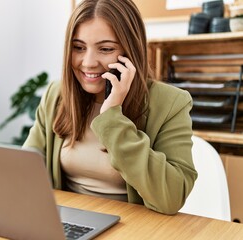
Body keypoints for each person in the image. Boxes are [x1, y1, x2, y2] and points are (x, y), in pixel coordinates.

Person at [23, 0, 197, 215]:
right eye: (78, 47)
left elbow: (172, 196)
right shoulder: (56, 95)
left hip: (134, 227)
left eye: (105, 49)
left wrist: (112, 117)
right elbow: (26, 168)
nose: (88, 62)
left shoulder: (171, 102)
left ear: (130, 50)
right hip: (67, 222)